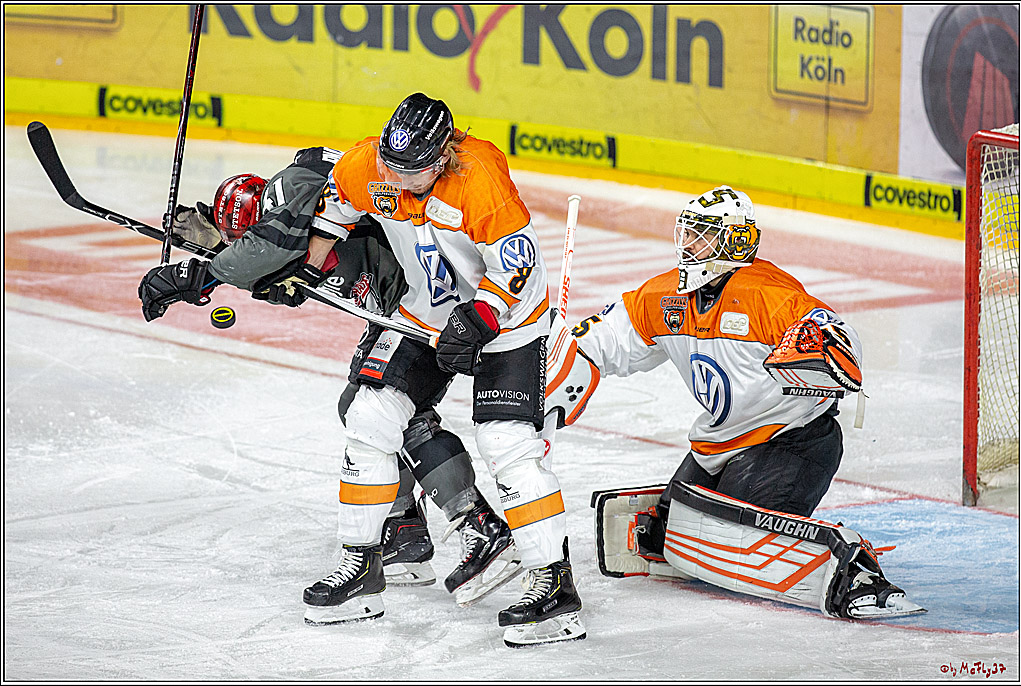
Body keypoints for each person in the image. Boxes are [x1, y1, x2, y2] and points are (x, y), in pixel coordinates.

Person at [136, 147, 525, 603]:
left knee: (380, 411)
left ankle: (478, 527)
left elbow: (274, 246)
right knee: (375, 411)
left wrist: (203, 273)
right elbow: (285, 279)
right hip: (408, 309)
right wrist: (217, 251)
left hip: (434, 306)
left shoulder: (291, 189)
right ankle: (407, 534)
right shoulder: (294, 226)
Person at [547, 185, 925, 620]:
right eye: (686, 233)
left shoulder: (768, 293)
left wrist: (826, 346)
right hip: (718, 448)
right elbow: (607, 337)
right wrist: (560, 367)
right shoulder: (666, 295)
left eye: (701, 235)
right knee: (675, 536)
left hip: (794, 442)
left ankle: (855, 574)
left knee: (724, 538)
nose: (688, 244)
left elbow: (834, 335)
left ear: (736, 241)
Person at [305, 92, 585, 647]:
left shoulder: (480, 177)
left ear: (442, 159)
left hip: (508, 321)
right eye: (390, 161)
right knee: (369, 418)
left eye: (411, 169)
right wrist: (307, 269)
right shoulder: (369, 165)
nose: (394, 175)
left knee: (507, 445)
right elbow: (332, 216)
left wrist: (479, 320)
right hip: (421, 313)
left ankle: (553, 584)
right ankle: (363, 567)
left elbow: (518, 267)